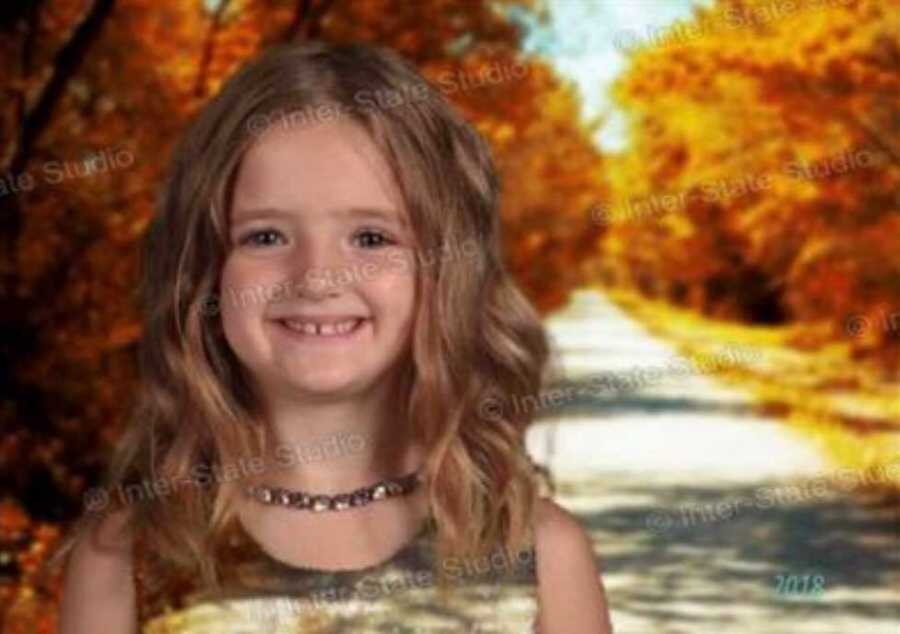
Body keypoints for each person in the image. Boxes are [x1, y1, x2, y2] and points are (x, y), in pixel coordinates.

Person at [51, 40, 613, 633]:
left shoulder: (543, 556)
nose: (317, 277)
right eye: (265, 237)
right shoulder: (128, 558)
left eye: (371, 238)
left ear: (447, 273)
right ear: (202, 274)